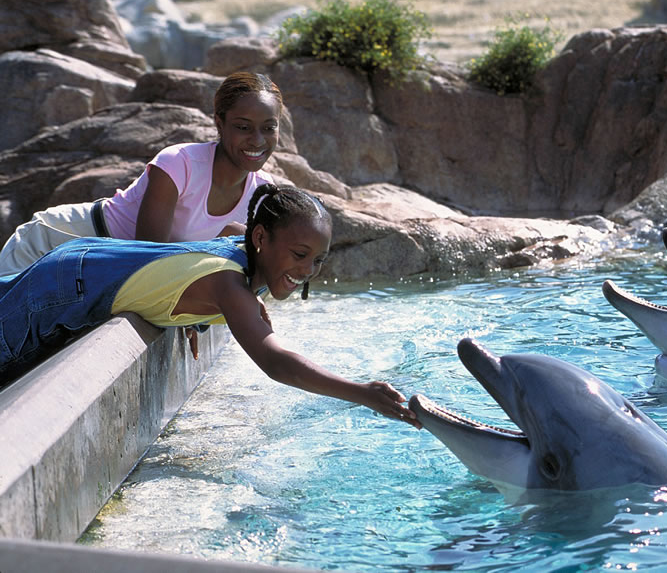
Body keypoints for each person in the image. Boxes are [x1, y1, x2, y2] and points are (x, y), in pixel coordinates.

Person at [0, 183, 421, 428]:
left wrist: (190, 307)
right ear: (261, 239)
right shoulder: (229, 285)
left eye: (318, 259)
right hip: (66, 284)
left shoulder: (241, 259)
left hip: (85, 262)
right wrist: (361, 392)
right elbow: (278, 363)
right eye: (298, 254)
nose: (308, 269)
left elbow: (227, 229)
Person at [0, 71, 283, 277]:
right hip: (55, 241)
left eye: (269, 127)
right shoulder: (179, 163)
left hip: (101, 266)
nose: (257, 140)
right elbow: (149, 261)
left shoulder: (262, 193)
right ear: (219, 123)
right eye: (243, 127)